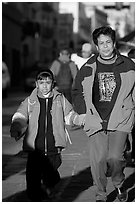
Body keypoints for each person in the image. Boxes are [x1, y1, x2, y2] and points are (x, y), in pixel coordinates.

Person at [72, 26, 135, 202]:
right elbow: (77, 90)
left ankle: (119, 183)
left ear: (114, 43)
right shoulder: (88, 66)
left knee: (115, 158)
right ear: (96, 46)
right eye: (101, 43)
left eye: (108, 42)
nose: (105, 46)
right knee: (98, 160)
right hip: (95, 118)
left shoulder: (129, 65)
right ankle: (100, 194)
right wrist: (82, 112)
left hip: (121, 117)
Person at [10, 68, 84, 201]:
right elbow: (21, 115)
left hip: (53, 145)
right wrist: (16, 126)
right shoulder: (30, 100)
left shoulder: (59, 99)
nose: (45, 86)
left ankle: (50, 186)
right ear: (36, 84)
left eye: (48, 83)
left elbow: (69, 114)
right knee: (32, 178)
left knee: (51, 176)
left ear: (53, 84)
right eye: (42, 83)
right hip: (34, 147)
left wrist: (77, 119)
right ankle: (35, 197)